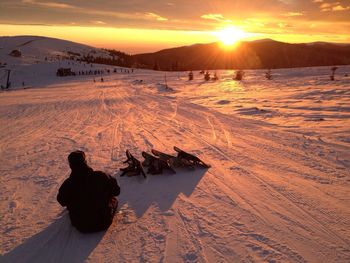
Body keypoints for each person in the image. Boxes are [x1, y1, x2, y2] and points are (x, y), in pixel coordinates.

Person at [57, 151, 120, 233]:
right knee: (113, 199)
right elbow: (116, 191)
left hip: (81, 225)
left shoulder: (67, 184)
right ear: (85, 162)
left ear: (70, 166)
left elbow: (62, 201)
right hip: (104, 221)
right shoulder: (101, 176)